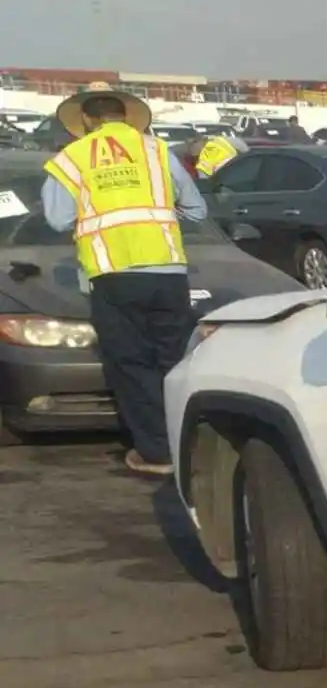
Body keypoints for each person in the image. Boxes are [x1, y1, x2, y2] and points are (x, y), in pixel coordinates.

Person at [40, 81, 207, 476]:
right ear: (125, 118)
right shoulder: (159, 151)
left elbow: (57, 218)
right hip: (168, 271)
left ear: (85, 120)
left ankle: (156, 453)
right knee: (173, 359)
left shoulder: (72, 159)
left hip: (113, 273)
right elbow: (197, 212)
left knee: (131, 363)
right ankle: (191, 444)